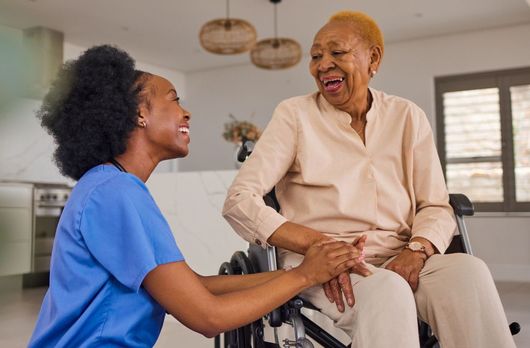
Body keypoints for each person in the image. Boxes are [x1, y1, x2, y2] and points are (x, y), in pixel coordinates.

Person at [27, 45, 365, 347]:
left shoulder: (110, 186)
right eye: (174, 99)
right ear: (137, 114)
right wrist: (304, 276)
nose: (186, 113)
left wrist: (306, 272)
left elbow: (195, 285)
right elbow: (208, 317)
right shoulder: (116, 193)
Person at [223, 11, 516, 348]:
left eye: (337, 52)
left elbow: (434, 204)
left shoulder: (407, 116)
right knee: (387, 290)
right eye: (316, 56)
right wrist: (319, 247)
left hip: (403, 255)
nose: (323, 65)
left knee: (468, 272)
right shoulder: (294, 115)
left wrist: (418, 250)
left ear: (372, 58)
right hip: (326, 267)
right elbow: (239, 199)